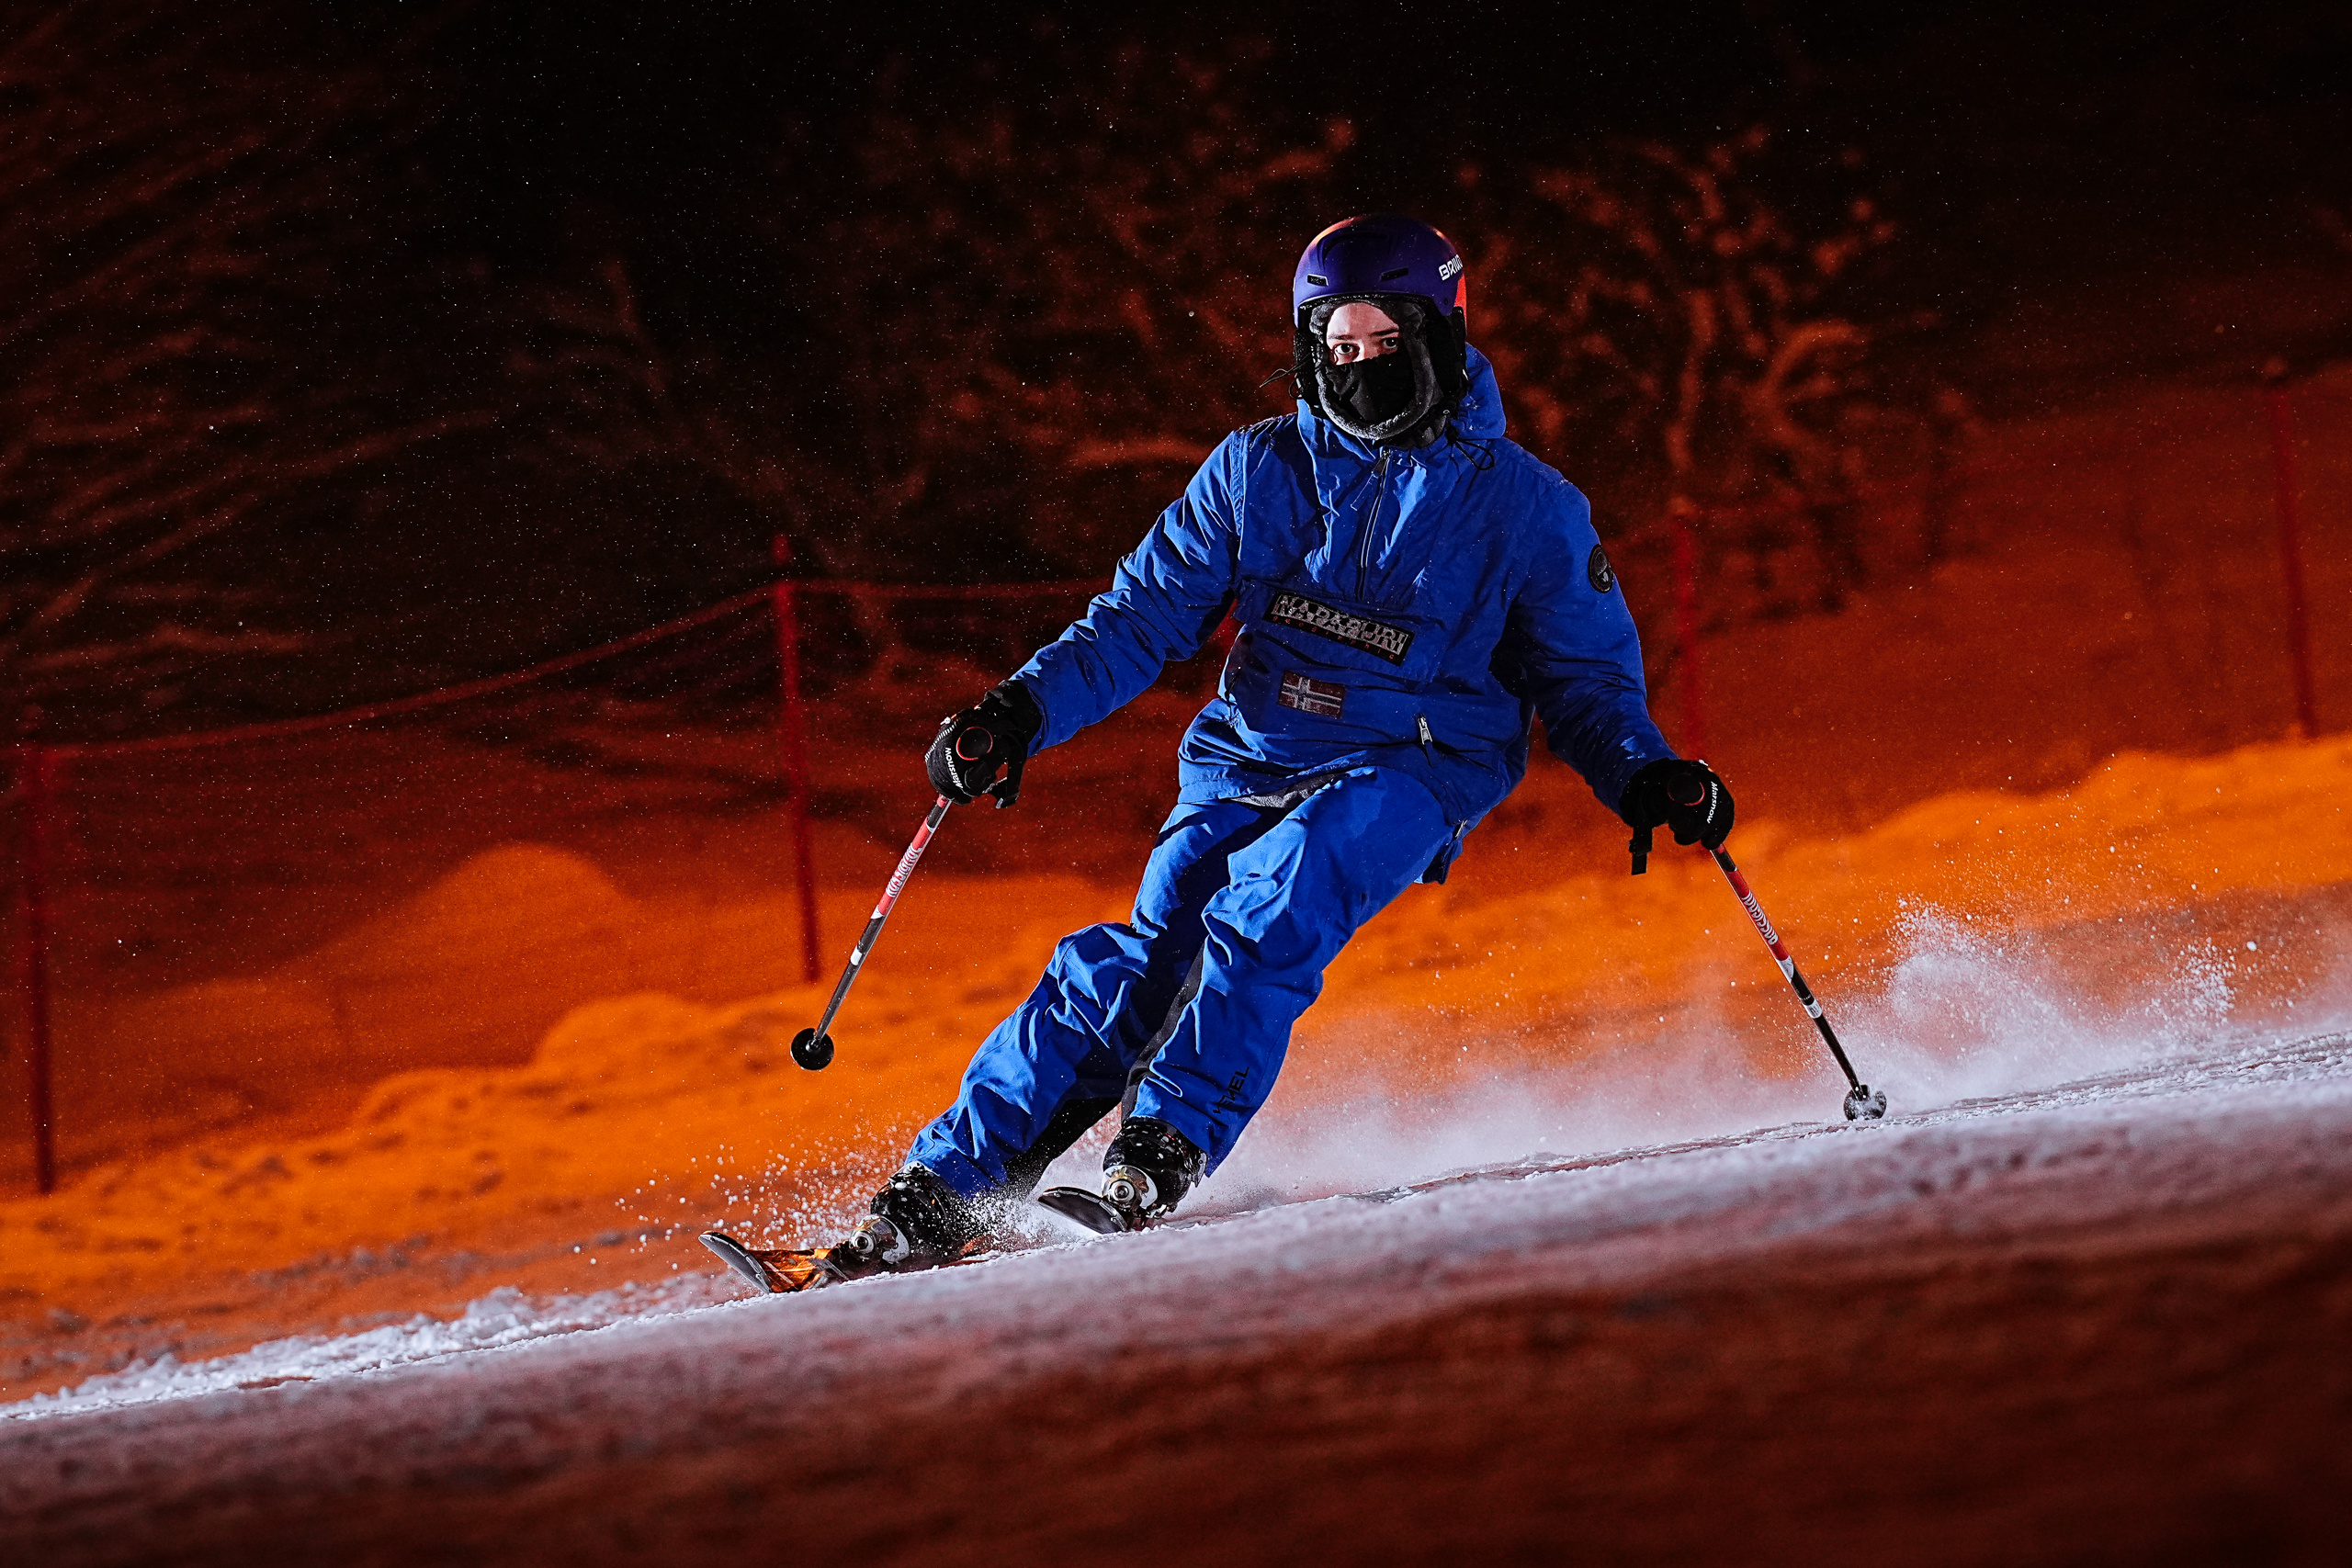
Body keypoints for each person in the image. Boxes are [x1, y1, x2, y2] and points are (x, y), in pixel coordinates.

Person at [830, 214, 1734, 1273]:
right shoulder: (1257, 471)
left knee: (1277, 897)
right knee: (1142, 959)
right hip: (1252, 756)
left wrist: (1644, 773)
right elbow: (1140, 617)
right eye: (1334, 348)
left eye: (1380, 344)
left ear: (1435, 336)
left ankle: (1160, 1150)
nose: (1357, 369)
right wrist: (1017, 714)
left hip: (1415, 761)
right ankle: (943, 1195)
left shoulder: (1524, 509)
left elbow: (1583, 682)